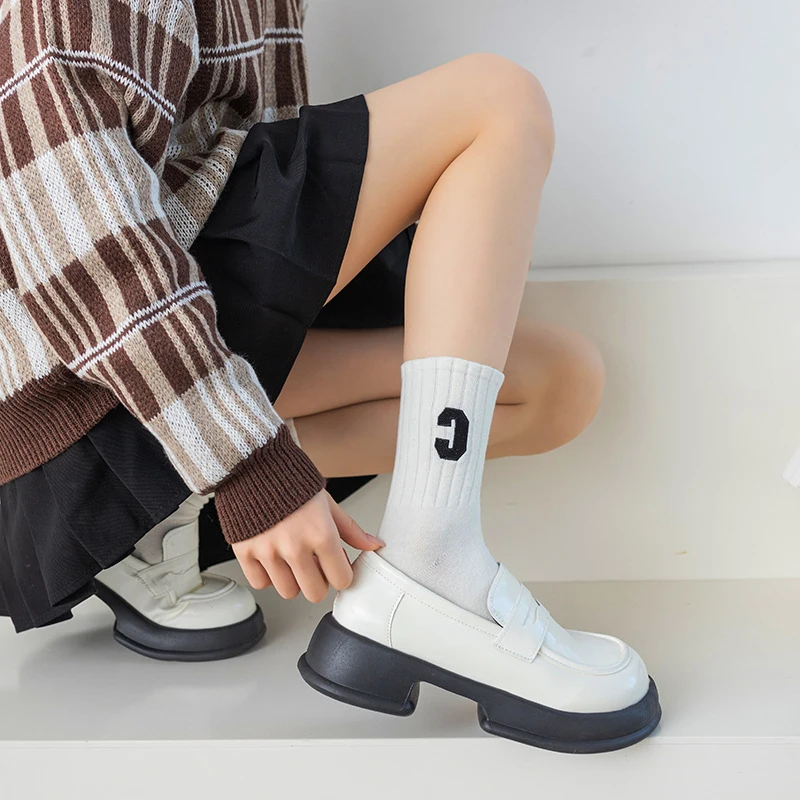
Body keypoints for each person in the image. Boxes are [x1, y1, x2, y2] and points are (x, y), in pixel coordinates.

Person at [0, 0, 660, 750]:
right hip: (75, 400)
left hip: (151, 394)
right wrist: (250, 466)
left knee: (557, 386)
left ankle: (169, 509)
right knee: (498, 100)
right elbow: (71, 235)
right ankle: (434, 571)